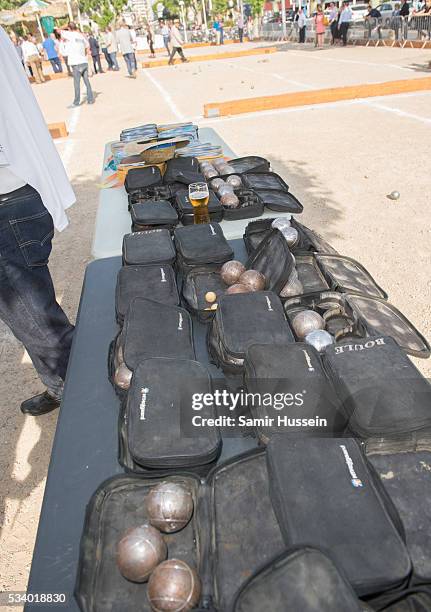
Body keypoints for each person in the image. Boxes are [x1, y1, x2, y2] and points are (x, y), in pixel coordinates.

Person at [0, 26, 76, 416]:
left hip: (8, 203)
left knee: (36, 320)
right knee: (35, 315)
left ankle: (77, 390)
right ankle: (64, 382)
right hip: (17, 197)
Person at [62, 23, 94, 107]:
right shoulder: (81, 36)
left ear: (69, 28)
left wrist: (65, 26)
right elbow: (88, 46)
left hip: (75, 62)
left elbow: (57, 30)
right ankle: (90, 99)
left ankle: (76, 102)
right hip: (83, 61)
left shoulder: (69, 34)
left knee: (76, 84)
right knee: (87, 82)